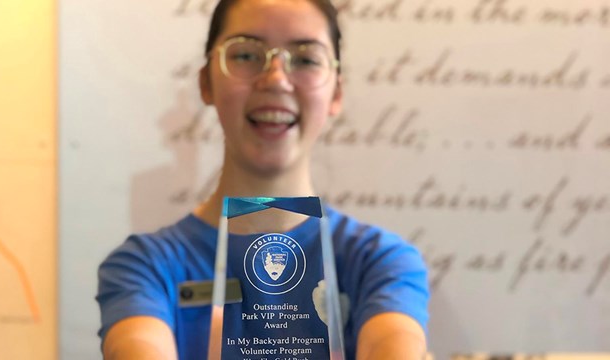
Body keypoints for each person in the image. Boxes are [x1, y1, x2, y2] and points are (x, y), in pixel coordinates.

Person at [96, 0, 429, 359]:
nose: (275, 79)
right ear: (206, 82)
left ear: (336, 93)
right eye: (245, 55)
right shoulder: (145, 268)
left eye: (305, 59)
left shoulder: (380, 263)